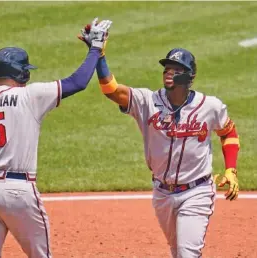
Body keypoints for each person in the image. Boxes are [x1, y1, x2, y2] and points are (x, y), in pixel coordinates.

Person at [0, 18, 112, 258]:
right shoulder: (30, 96)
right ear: (19, 72)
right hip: (19, 191)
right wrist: (95, 49)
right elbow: (78, 82)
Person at [79, 30, 240, 258]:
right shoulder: (147, 101)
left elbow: (228, 132)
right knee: (177, 251)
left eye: (175, 69)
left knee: (187, 254)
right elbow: (112, 90)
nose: (168, 72)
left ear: (189, 76)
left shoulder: (210, 106)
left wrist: (231, 169)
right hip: (162, 194)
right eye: (166, 68)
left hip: (197, 191)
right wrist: (99, 55)